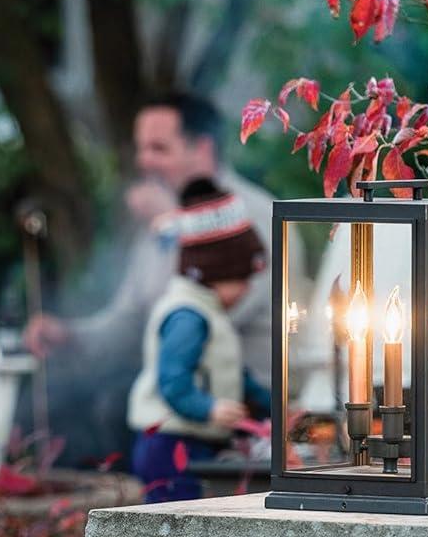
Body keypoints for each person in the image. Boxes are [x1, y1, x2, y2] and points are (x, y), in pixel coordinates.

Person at [22, 93, 303, 466]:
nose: (144, 162)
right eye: (141, 149)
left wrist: (175, 222)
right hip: (178, 392)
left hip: (239, 399)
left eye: (158, 148)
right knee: (56, 394)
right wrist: (72, 334)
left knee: (113, 404)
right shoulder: (159, 223)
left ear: (202, 150)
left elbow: (218, 309)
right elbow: (128, 316)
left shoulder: (253, 216)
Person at [129, 179, 272, 503]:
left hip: (194, 440)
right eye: (241, 279)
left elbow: (231, 373)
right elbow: (173, 381)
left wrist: (270, 404)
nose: (248, 289)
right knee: (171, 519)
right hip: (169, 441)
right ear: (214, 273)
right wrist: (208, 407)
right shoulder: (187, 317)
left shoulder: (210, 315)